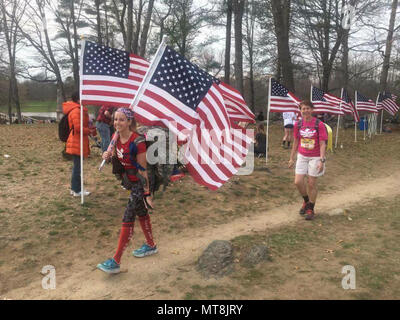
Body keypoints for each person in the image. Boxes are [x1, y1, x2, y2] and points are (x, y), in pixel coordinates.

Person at [97, 108, 157, 274]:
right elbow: (118, 160)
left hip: (141, 181)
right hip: (131, 182)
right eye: (116, 119)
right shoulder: (115, 138)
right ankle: (151, 245)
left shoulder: (138, 141)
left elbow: (143, 169)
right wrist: (107, 156)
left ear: (129, 122)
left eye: (122, 120)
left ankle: (116, 260)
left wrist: (147, 194)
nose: (117, 123)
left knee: (128, 215)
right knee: (141, 213)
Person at [288, 100, 327, 221]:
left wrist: (321, 160)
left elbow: (322, 143)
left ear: (312, 110)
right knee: (298, 182)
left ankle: (311, 209)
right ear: (300, 111)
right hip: (302, 155)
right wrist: (291, 158)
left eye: (308, 108)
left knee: (311, 183)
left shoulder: (319, 124)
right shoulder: (298, 125)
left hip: (315, 157)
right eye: (303, 109)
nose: (305, 111)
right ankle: (306, 201)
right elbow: (295, 142)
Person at [62, 91, 91, 197]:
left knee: (77, 166)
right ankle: (77, 190)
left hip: (78, 141)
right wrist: (89, 131)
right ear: (79, 99)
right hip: (76, 141)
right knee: (78, 167)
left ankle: (75, 188)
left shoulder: (78, 110)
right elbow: (78, 128)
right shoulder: (76, 111)